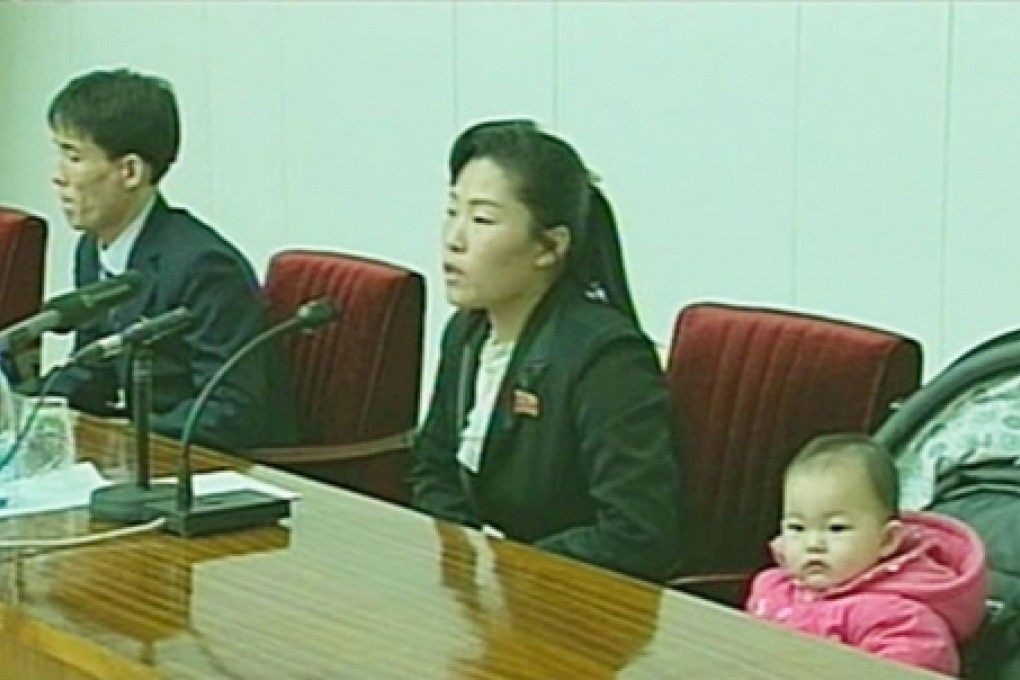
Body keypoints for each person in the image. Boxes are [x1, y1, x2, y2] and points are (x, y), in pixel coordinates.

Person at [408, 119, 682, 582]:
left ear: (550, 246)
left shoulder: (606, 358)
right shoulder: (466, 333)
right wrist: (466, 548)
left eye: (481, 219)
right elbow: (431, 471)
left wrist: (508, 563)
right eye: (452, 210)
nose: (455, 238)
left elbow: (637, 533)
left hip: (578, 610)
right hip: (483, 604)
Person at [45, 68, 296, 451]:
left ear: (129, 171)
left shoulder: (205, 267)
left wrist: (124, 443)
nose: (58, 177)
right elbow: (92, 367)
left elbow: (229, 409)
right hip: (140, 454)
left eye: (74, 157)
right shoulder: (92, 247)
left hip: (204, 468)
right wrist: (34, 403)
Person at [745, 433, 987, 675]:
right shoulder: (772, 588)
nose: (813, 544)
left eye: (836, 528)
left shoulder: (900, 619)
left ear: (887, 540)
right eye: (797, 528)